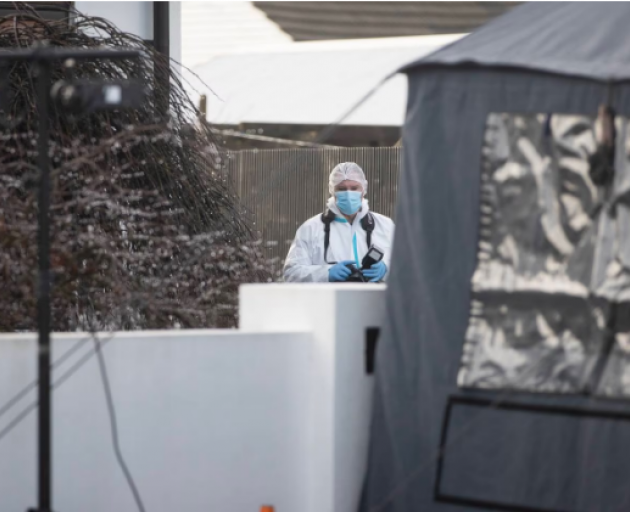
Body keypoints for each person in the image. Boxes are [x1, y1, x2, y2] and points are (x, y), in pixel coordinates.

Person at [283, 162, 395, 283]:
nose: (348, 193)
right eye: (341, 189)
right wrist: (326, 273)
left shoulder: (386, 226)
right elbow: (291, 273)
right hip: (329, 301)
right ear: (332, 190)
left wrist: (387, 268)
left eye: (354, 188)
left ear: (363, 189)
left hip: (374, 301)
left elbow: (409, 264)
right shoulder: (310, 229)